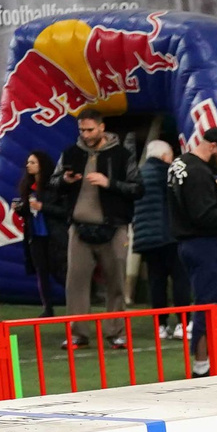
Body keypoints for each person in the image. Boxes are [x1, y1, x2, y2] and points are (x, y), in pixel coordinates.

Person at [56, 111, 138, 335]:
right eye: (82, 130)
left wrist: (109, 183)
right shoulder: (71, 153)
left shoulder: (122, 154)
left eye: (90, 129)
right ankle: (78, 333)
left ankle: (116, 332)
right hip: (78, 229)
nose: (85, 134)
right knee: (75, 285)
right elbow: (53, 184)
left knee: (116, 283)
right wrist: (65, 180)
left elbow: (137, 188)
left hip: (114, 227)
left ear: (102, 128)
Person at [169, 126, 217, 374]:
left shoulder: (179, 164)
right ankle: (202, 365)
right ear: (213, 146)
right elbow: (204, 215)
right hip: (204, 243)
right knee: (208, 305)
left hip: (186, 244)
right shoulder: (198, 172)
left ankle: (205, 361)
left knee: (204, 302)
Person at [132, 138, 180, 329]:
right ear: (164, 156)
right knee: (179, 279)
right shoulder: (167, 173)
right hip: (170, 235)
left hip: (146, 237)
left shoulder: (138, 175)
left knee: (156, 281)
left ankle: (161, 325)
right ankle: (183, 323)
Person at [17, 149, 66, 318]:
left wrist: (43, 207)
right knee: (41, 272)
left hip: (54, 236)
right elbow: (28, 212)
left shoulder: (54, 186)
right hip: (35, 236)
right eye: (28, 162)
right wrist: (20, 209)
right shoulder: (28, 187)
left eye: (33, 162)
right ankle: (47, 307)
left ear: (42, 165)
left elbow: (65, 211)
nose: (28, 165)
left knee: (61, 271)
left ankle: (76, 302)